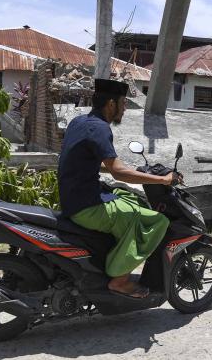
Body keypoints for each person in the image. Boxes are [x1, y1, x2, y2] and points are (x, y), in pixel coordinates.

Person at [57, 79, 180, 298]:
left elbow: (87, 160)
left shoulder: (79, 122)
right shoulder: (100, 128)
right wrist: (163, 180)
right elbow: (118, 172)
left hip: (73, 198)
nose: (125, 108)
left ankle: (111, 257)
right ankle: (120, 280)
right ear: (111, 104)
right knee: (156, 221)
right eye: (123, 103)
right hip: (87, 206)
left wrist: (132, 171)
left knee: (128, 198)